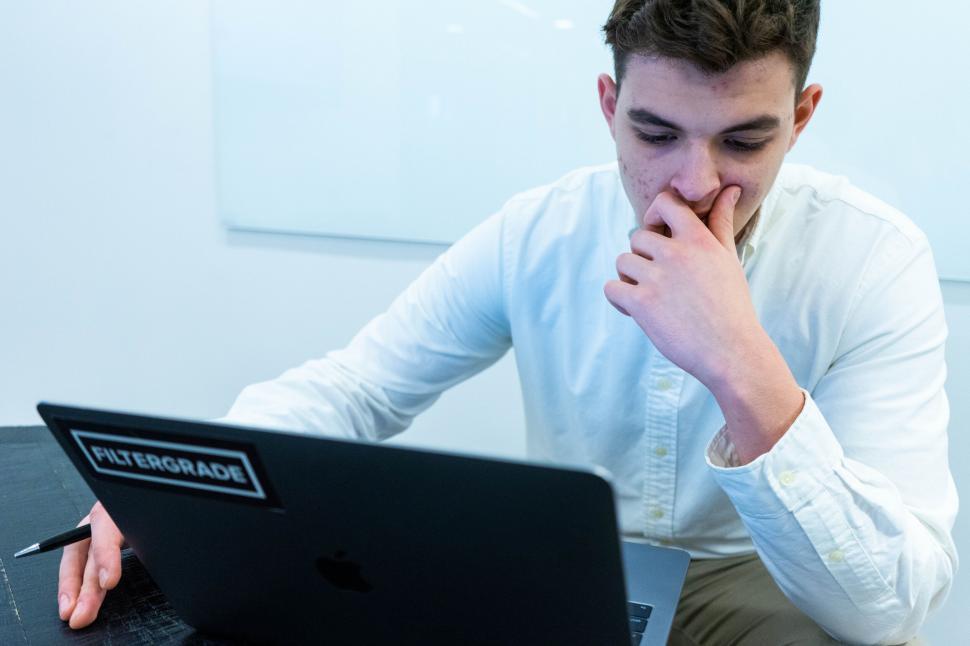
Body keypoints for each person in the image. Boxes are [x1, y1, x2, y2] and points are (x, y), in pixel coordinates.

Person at [57, 0, 957, 643]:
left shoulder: (875, 260)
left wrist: (739, 364)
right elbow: (357, 388)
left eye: (744, 141)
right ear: (609, 109)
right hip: (578, 574)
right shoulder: (538, 230)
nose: (691, 181)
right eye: (654, 134)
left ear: (801, 119)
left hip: (774, 583)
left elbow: (889, 611)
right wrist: (181, 494)